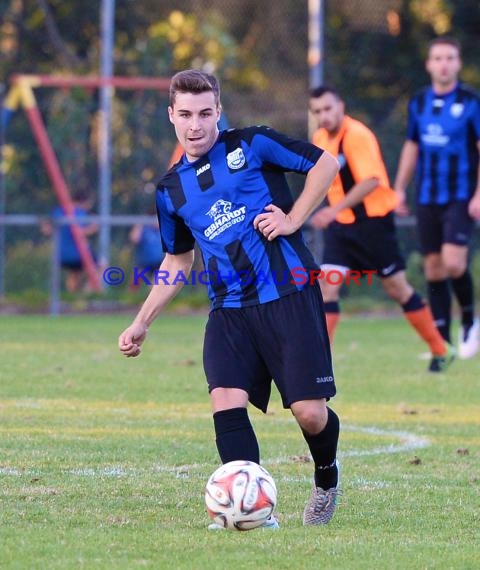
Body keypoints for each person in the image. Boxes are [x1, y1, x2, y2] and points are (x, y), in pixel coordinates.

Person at [118, 69, 341, 528]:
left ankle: (326, 478)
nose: (195, 125)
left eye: (204, 113)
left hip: (288, 293)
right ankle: (255, 513)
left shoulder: (252, 145)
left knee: (310, 414)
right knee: (225, 398)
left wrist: (294, 219)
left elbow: (326, 165)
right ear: (171, 117)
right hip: (229, 310)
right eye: (185, 115)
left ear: (218, 111)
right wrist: (142, 322)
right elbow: (177, 264)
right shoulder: (170, 190)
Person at [308, 85, 454, 373]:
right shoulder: (320, 137)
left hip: (373, 224)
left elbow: (371, 181)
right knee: (327, 285)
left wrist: (333, 210)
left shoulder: (358, 135)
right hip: (342, 226)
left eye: (328, 108)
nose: (323, 116)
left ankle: (441, 349)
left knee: (397, 288)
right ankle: (320, 364)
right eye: (317, 111)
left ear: (341, 106)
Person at [394, 36, 480, 360]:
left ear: (458, 63)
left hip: (461, 196)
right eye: (438, 58)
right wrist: (399, 188)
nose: (444, 64)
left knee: (454, 262)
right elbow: (411, 147)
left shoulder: (471, 102)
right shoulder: (418, 103)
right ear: (429, 64)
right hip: (427, 196)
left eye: (450, 58)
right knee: (433, 268)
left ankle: (470, 322)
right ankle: (441, 342)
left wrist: (478, 195)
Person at [41, 188, 98, 293]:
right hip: (78, 254)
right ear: (85, 202)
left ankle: (72, 297)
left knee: (74, 272)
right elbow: (80, 232)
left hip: (60, 254)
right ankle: (88, 294)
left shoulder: (58, 211)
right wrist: (93, 227)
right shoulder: (80, 213)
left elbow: (47, 230)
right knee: (101, 266)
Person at [128, 207, 164, 289]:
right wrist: (139, 224)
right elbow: (134, 239)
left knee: (156, 285)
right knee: (134, 285)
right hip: (143, 262)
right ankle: (130, 298)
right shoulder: (144, 229)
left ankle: (153, 300)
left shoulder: (162, 230)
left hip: (157, 263)